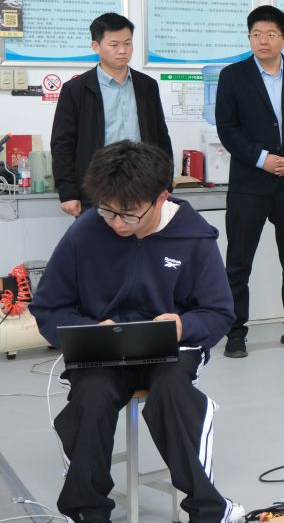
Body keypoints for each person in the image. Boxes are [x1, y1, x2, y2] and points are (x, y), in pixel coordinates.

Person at [29, 141, 243, 523]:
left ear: (161, 198)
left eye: (128, 214)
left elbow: (218, 312)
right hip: (102, 349)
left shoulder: (194, 238)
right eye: (107, 210)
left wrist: (183, 325)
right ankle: (87, 512)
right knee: (90, 396)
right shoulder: (85, 232)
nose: (116, 223)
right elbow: (48, 306)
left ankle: (210, 509)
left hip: (173, 348)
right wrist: (89, 329)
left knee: (173, 393)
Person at [215, 5, 284, 358]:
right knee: (238, 262)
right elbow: (227, 128)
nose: (263, 40)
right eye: (257, 34)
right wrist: (263, 159)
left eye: (271, 34)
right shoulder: (233, 76)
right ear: (249, 38)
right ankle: (235, 333)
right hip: (249, 183)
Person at [51, 13, 172, 217]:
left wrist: (166, 183)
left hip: (143, 186)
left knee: (143, 237)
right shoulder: (76, 89)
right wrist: (67, 191)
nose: (122, 50)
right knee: (96, 238)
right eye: (114, 44)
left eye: (127, 43)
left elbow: (161, 137)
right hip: (96, 187)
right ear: (96, 46)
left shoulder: (147, 86)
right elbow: (63, 143)